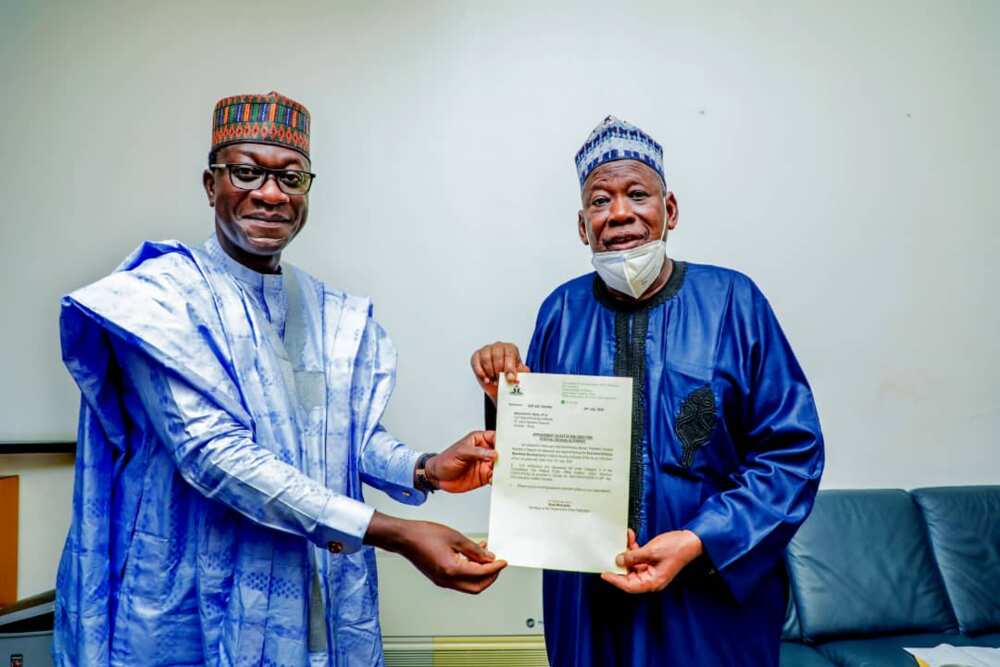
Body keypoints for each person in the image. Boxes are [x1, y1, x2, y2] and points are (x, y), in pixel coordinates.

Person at [54, 91, 505, 667]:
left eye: (290, 178)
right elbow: (215, 455)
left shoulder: (326, 309)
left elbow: (341, 436)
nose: (270, 194)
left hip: (305, 586)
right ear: (209, 184)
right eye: (246, 172)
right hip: (188, 595)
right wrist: (395, 532)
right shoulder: (161, 301)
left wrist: (425, 468)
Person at [470, 116, 824, 666]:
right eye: (599, 200)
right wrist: (502, 395)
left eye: (638, 194)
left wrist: (700, 539)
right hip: (588, 595)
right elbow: (535, 461)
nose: (619, 213)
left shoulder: (734, 302)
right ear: (582, 225)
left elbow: (792, 454)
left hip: (707, 598)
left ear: (671, 210)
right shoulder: (561, 311)